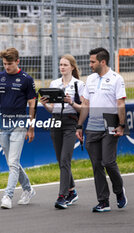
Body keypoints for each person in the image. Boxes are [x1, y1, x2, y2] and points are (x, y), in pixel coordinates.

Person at [76, 47, 128, 212]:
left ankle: (119, 191)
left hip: (110, 124)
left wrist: (122, 125)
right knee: (97, 164)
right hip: (92, 126)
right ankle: (103, 201)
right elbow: (85, 104)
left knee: (108, 162)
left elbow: (120, 104)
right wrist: (79, 126)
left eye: (92, 61)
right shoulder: (90, 79)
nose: (90, 64)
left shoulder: (116, 79)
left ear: (102, 62)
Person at [0, 47, 36, 209]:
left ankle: (7, 196)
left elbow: (32, 104)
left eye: (9, 64)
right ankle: (28, 189)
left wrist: (31, 127)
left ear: (17, 61)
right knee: (12, 162)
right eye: (4, 64)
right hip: (3, 123)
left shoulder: (26, 79)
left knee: (13, 161)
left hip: (19, 123)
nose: (7, 67)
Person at [40, 54, 85, 209]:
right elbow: (52, 108)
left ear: (72, 67)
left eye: (65, 65)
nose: (62, 67)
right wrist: (44, 104)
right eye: (60, 65)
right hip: (55, 121)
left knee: (65, 159)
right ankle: (72, 191)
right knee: (61, 160)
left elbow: (84, 108)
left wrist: (71, 102)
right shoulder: (54, 83)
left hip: (70, 122)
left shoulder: (79, 84)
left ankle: (62, 196)